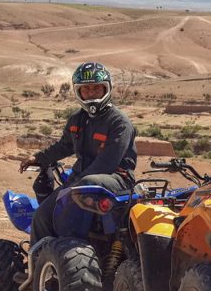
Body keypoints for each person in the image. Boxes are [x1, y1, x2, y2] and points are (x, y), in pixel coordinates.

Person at [19, 62, 138, 243]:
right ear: (78, 91)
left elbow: (107, 163)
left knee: (85, 188)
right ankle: (38, 264)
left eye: (96, 88)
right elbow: (64, 146)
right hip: (80, 180)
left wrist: (75, 185)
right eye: (86, 89)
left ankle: (69, 248)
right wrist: (38, 158)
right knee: (42, 216)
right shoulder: (77, 119)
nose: (91, 93)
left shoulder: (119, 123)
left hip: (116, 179)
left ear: (106, 89)